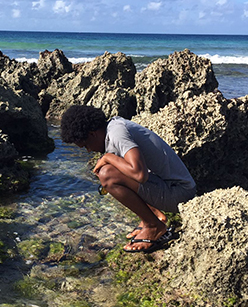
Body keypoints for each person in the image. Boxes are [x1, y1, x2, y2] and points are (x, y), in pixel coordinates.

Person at [60, 105, 196, 253]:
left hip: (180, 194)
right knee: (112, 168)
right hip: (169, 188)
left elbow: (139, 175)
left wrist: (107, 157)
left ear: (93, 134)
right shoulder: (114, 127)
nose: (88, 150)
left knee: (107, 174)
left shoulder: (117, 133)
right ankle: (152, 216)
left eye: (86, 145)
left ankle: (154, 226)